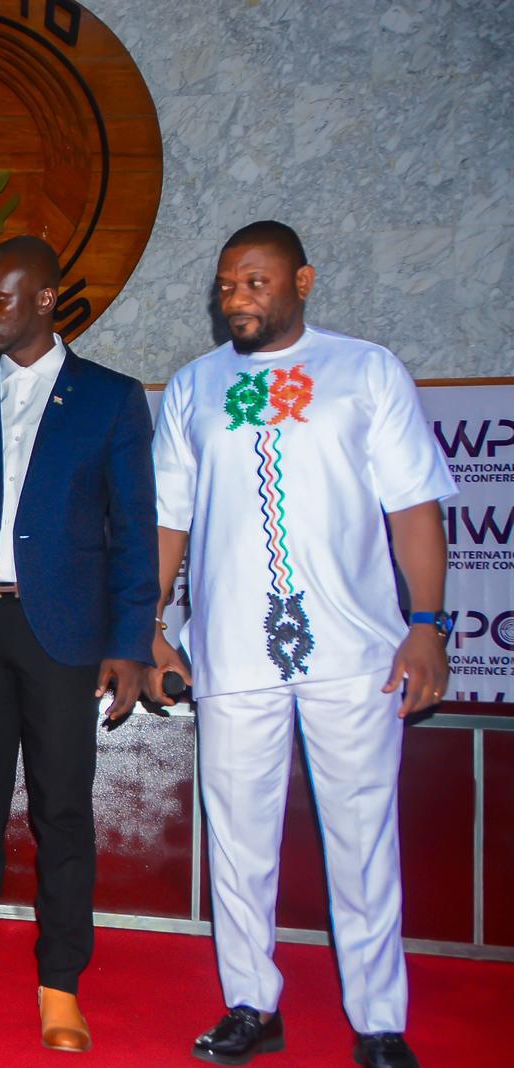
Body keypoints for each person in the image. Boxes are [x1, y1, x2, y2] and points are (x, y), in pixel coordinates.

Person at [149, 221, 452, 1068]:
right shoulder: (194, 387)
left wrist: (427, 625)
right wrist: (151, 627)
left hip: (355, 652)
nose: (236, 298)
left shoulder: (366, 371)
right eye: (226, 286)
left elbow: (414, 508)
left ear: (303, 282)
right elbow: (168, 518)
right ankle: (252, 1004)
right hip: (231, 651)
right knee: (237, 841)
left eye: (256, 282)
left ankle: (379, 1020)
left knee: (363, 837)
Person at [0, 236, 158, 1051]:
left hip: (65, 636)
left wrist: (131, 641)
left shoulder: (110, 399)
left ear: (46, 300)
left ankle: (60, 985)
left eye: (1, 298)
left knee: (63, 812)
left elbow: (134, 533)